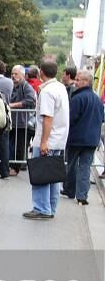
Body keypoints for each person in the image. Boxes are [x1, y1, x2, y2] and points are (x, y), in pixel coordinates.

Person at [23, 60, 69, 220]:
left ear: (41, 72)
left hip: (48, 138)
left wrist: (43, 142)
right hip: (59, 138)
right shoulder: (60, 87)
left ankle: (42, 208)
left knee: (41, 173)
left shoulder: (47, 91)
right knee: (53, 175)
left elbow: (47, 118)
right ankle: (50, 207)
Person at [63, 69, 104, 205]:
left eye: (78, 80)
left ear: (86, 82)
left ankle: (69, 190)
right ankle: (82, 196)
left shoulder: (77, 98)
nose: (75, 82)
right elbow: (101, 118)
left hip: (77, 138)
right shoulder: (97, 99)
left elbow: (71, 118)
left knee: (72, 165)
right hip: (92, 139)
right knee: (85, 167)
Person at [7, 65, 37, 176]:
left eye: (16, 74)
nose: (13, 76)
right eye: (12, 74)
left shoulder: (26, 86)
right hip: (11, 121)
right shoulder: (11, 85)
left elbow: (30, 101)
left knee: (19, 146)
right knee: (9, 145)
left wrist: (13, 105)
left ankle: (16, 168)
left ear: (23, 75)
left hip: (22, 122)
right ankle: (9, 165)